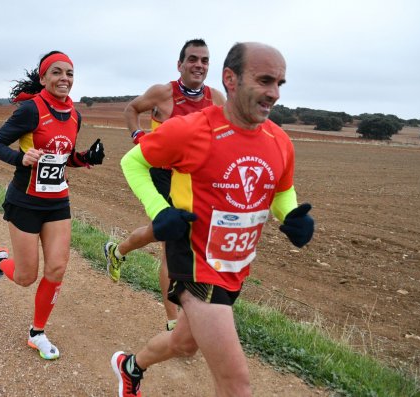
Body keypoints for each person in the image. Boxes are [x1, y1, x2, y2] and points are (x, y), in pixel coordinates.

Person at [110, 42, 315, 397]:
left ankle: (130, 367)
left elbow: (281, 189)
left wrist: (291, 213)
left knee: (184, 344)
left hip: (235, 264)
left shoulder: (279, 140)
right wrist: (160, 211)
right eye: (265, 80)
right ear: (231, 79)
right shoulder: (191, 129)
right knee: (236, 384)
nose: (274, 93)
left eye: (280, 83)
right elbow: (133, 162)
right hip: (195, 263)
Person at [0, 51, 105, 361]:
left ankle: (36, 333)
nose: (64, 78)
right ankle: (1, 263)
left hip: (57, 202)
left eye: (69, 73)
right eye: (56, 72)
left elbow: (64, 159)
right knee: (26, 277)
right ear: (43, 78)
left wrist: (85, 158)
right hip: (25, 201)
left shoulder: (75, 115)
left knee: (57, 267)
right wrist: (19, 157)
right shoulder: (30, 110)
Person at [104, 38, 225, 332]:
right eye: (193, 59)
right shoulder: (163, 93)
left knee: (160, 233)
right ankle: (174, 322)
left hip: (195, 181)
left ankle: (117, 251)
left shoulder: (217, 99)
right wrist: (138, 138)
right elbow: (131, 109)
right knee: (172, 244)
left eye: (205, 60)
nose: (199, 65)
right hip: (161, 175)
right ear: (180, 64)